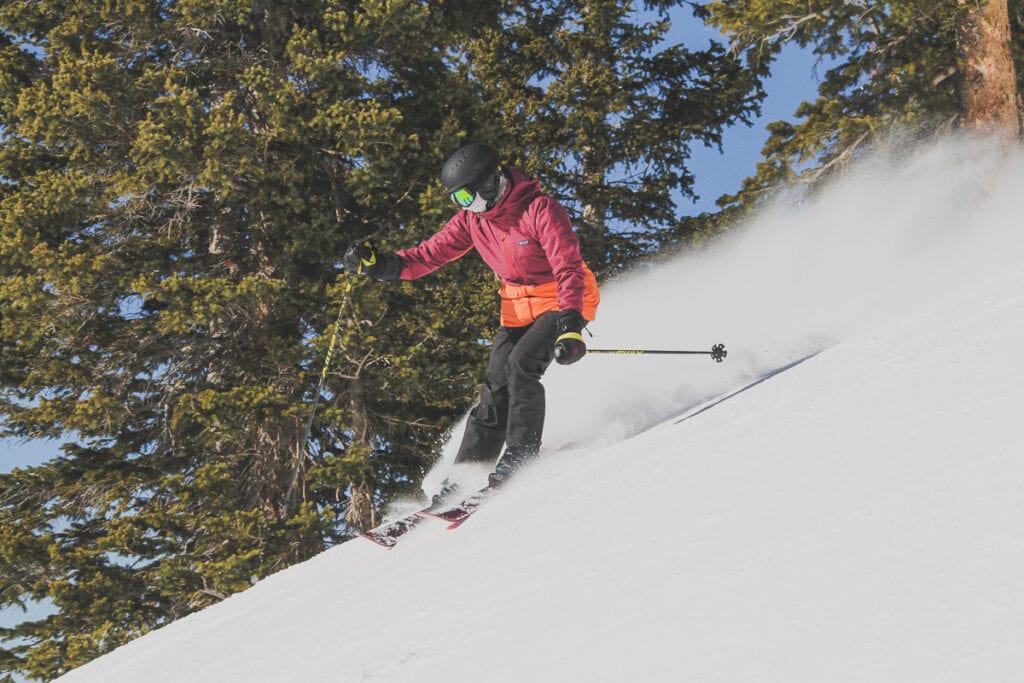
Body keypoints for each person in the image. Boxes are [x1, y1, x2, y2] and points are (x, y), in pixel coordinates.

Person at [343, 142, 599, 492]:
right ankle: (467, 473)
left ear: (490, 183)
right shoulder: (472, 221)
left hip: (563, 296)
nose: (465, 207)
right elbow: (429, 254)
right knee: (496, 382)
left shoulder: (540, 210)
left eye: (467, 197)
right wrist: (383, 266)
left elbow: (567, 265)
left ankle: (521, 454)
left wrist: (570, 324)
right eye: (458, 201)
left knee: (522, 365)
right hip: (516, 304)